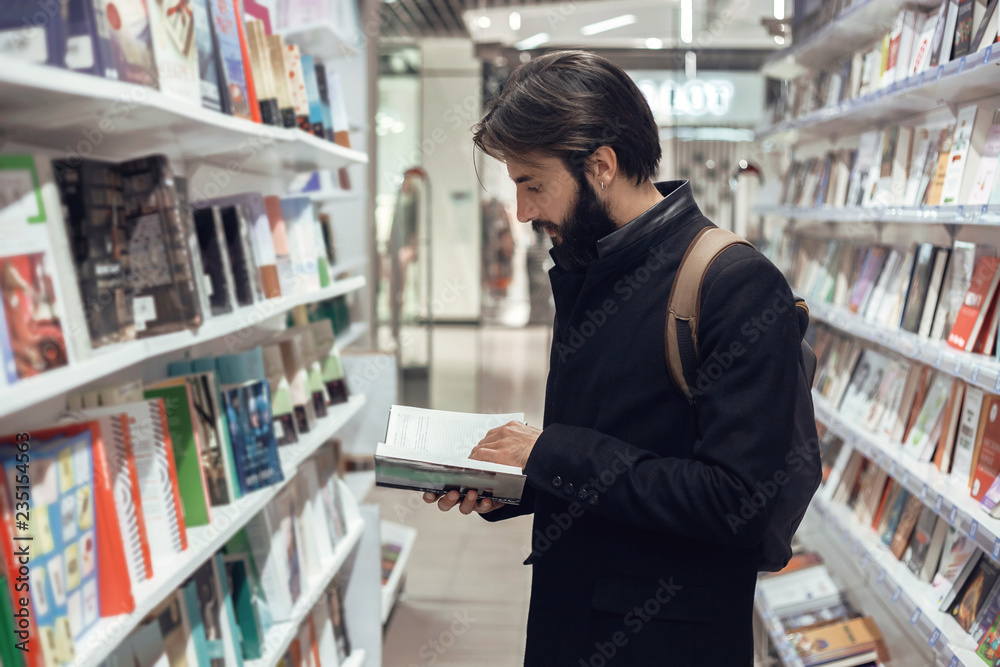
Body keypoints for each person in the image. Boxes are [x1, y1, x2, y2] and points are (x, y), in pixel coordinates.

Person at [423, 51, 809, 666]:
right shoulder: (590, 267)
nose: (523, 211)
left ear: (600, 166)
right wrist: (518, 483)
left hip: (669, 638)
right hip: (571, 621)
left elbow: (735, 500)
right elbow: (620, 450)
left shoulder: (734, 283)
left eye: (532, 183)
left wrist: (549, 452)